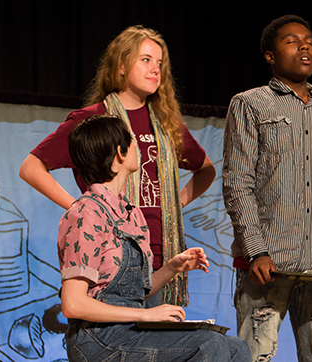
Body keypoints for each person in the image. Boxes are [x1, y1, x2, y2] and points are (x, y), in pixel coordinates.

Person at [19, 25, 215, 307]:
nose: (155, 69)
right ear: (121, 66)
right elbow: (31, 167)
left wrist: (174, 204)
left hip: (160, 254)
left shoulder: (166, 123)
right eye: (145, 60)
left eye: (160, 63)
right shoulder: (94, 119)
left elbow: (205, 169)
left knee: (158, 346)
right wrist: (80, 207)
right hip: (112, 254)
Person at [222, 15, 312, 362]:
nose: (304, 46)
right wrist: (256, 250)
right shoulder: (250, 103)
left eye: (310, 41)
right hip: (269, 266)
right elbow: (237, 183)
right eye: (292, 41)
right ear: (270, 55)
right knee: (255, 356)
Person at [59, 114, 250, 362]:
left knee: (237, 348)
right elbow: (73, 304)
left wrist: (172, 267)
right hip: (97, 339)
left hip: (131, 331)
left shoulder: (131, 213)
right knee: (208, 345)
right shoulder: (86, 213)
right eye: (133, 143)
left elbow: (136, 293)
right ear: (120, 153)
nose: (139, 149)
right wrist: (144, 315)